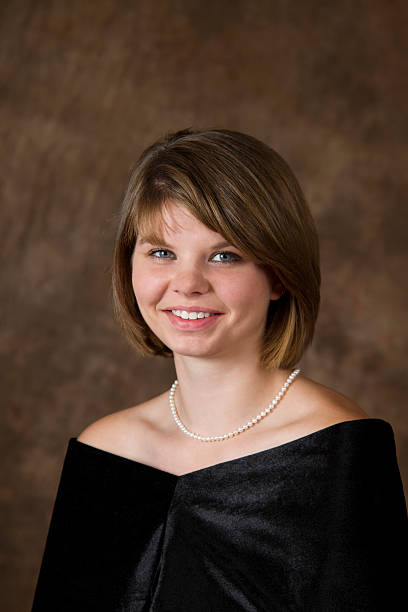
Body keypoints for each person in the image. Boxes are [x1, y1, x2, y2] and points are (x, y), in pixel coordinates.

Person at [32, 128, 407, 611]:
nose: (187, 284)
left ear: (278, 275)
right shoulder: (102, 451)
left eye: (224, 255)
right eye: (161, 252)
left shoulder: (338, 452)